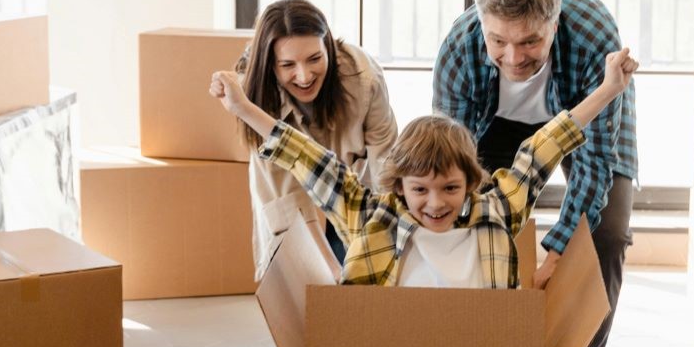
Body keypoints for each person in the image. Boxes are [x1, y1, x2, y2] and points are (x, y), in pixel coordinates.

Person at [209, 47, 636, 288]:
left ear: (472, 183)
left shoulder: (497, 211)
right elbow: (307, 156)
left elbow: (544, 148)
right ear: (399, 188)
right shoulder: (371, 218)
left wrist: (609, 89)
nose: (435, 203)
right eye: (420, 190)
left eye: (451, 188)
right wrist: (243, 108)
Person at [432, 0, 637, 347]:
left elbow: (596, 160)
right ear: (482, 25)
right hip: (494, 124)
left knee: (608, 233)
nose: (512, 57)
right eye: (498, 41)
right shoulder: (459, 48)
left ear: (555, 23)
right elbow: (451, 162)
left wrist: (559, 250)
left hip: (584, 117)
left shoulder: (594, 37)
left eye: (529, 42)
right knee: (473, 222)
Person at [225, 0, 398, 281]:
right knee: (311, 283)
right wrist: (331, 269)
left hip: (351, 196)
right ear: (270, 65)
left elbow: (386, 164)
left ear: (328, 46)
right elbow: (290, 195)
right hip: (293, 205)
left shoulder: (365, 79)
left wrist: (389, 240)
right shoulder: (253, 98)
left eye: (315, 59)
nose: (304, 76)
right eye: (288, 64)